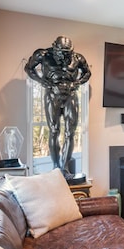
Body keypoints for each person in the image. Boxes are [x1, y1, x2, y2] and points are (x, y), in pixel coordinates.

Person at [24, 36, 91, 180]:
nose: (64, 55)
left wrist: (77, 83)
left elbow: (87, 72)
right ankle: (55, 167)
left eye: (67, 52)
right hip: (52, 95)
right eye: (61, 52)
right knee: (54, 130)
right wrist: (43, 81)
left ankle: (65, 168)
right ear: (55, 47)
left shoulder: (77, 58)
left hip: (70, 94)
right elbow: (28, 68)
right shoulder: (43, 55)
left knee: (70, 133)